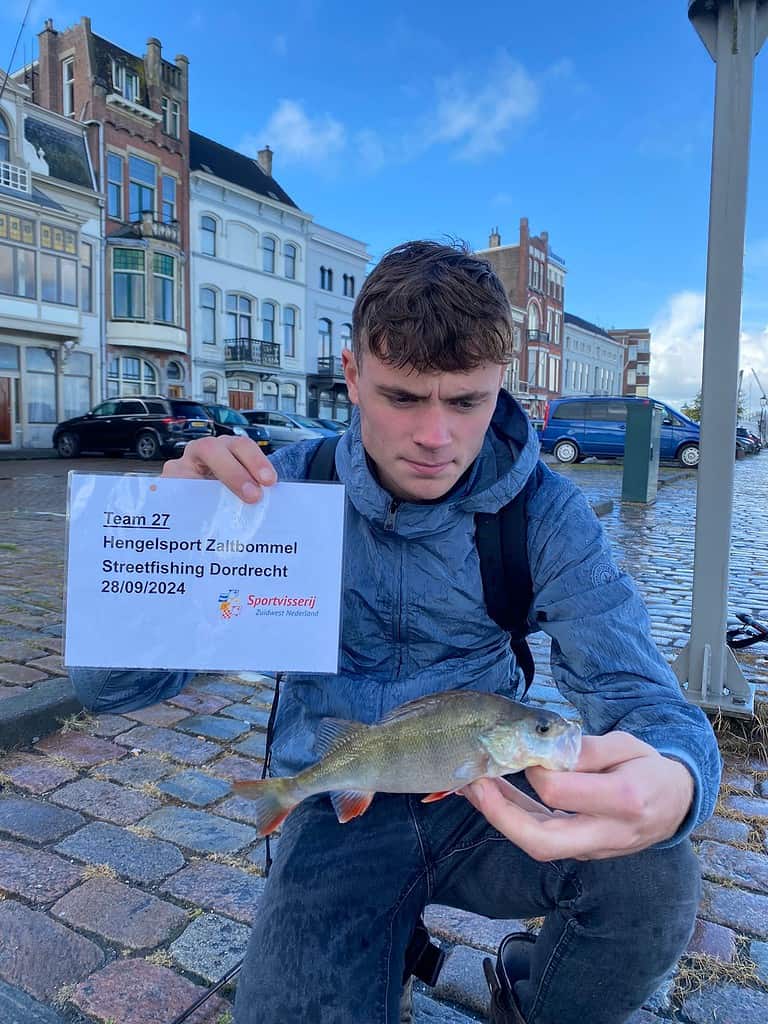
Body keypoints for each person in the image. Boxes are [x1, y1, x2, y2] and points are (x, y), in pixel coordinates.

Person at [71, 241, 720, 1024]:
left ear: (500, 388)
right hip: (341, 790)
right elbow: (108, 688)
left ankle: (531, 998)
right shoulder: (276, 493)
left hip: (480, 789)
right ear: (351, 376)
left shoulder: (545, 515)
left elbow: (638, 689)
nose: (436, 437)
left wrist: (679, 781)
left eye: (467, 402)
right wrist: (159, 544)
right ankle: (381, 939)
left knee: (656, 875)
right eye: (404, 398)